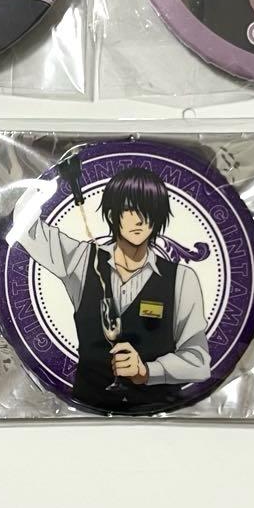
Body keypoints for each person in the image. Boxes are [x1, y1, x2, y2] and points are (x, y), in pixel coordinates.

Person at [16, 165, 211, 413]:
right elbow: (25, 227)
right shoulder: (82, 260)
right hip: (84, 412)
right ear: (112, 212)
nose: (140, 219)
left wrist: (147, 371)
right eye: (130, 209)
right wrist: (57, 177)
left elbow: (199, 361)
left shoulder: (181, 278)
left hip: (162, 415)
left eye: (149, 210)